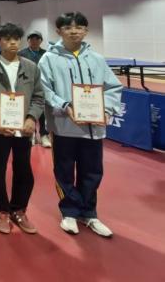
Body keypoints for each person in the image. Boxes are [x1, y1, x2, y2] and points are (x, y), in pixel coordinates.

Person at [38, 12, 122, 238]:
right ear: (59, 31)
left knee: (92, 172)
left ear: (86, 30)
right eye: (68, 27)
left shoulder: (97, 59)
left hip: (93, 128)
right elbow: (45, 90)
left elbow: (113, 87)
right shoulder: (48, 59)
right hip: (64, 126)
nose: (74, 31)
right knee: (64, 170)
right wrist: (64, 106)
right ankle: (69, 212)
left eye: (79, 27)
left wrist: (107, 110)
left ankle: (89, 213)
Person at [0, 23, 44, 235]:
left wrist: (31, 118)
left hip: (24, 130)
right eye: (7, 39)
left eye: (16, 39)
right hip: (0, 130)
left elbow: (38, 96)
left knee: (24, 170)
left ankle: (19, 209)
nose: (12, 43)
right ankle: (2, 210)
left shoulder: (31, 67)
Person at [19, 30, 51, 148]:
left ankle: (44, 135)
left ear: (41, 41)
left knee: (42, 110)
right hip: (26, 85)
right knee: (28, 109)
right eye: (32, 38)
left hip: (42, 86)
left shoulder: (46, 54)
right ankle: (31, 134)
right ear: (28, 40)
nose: (34, 41)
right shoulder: (21, 53)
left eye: (37, 38)